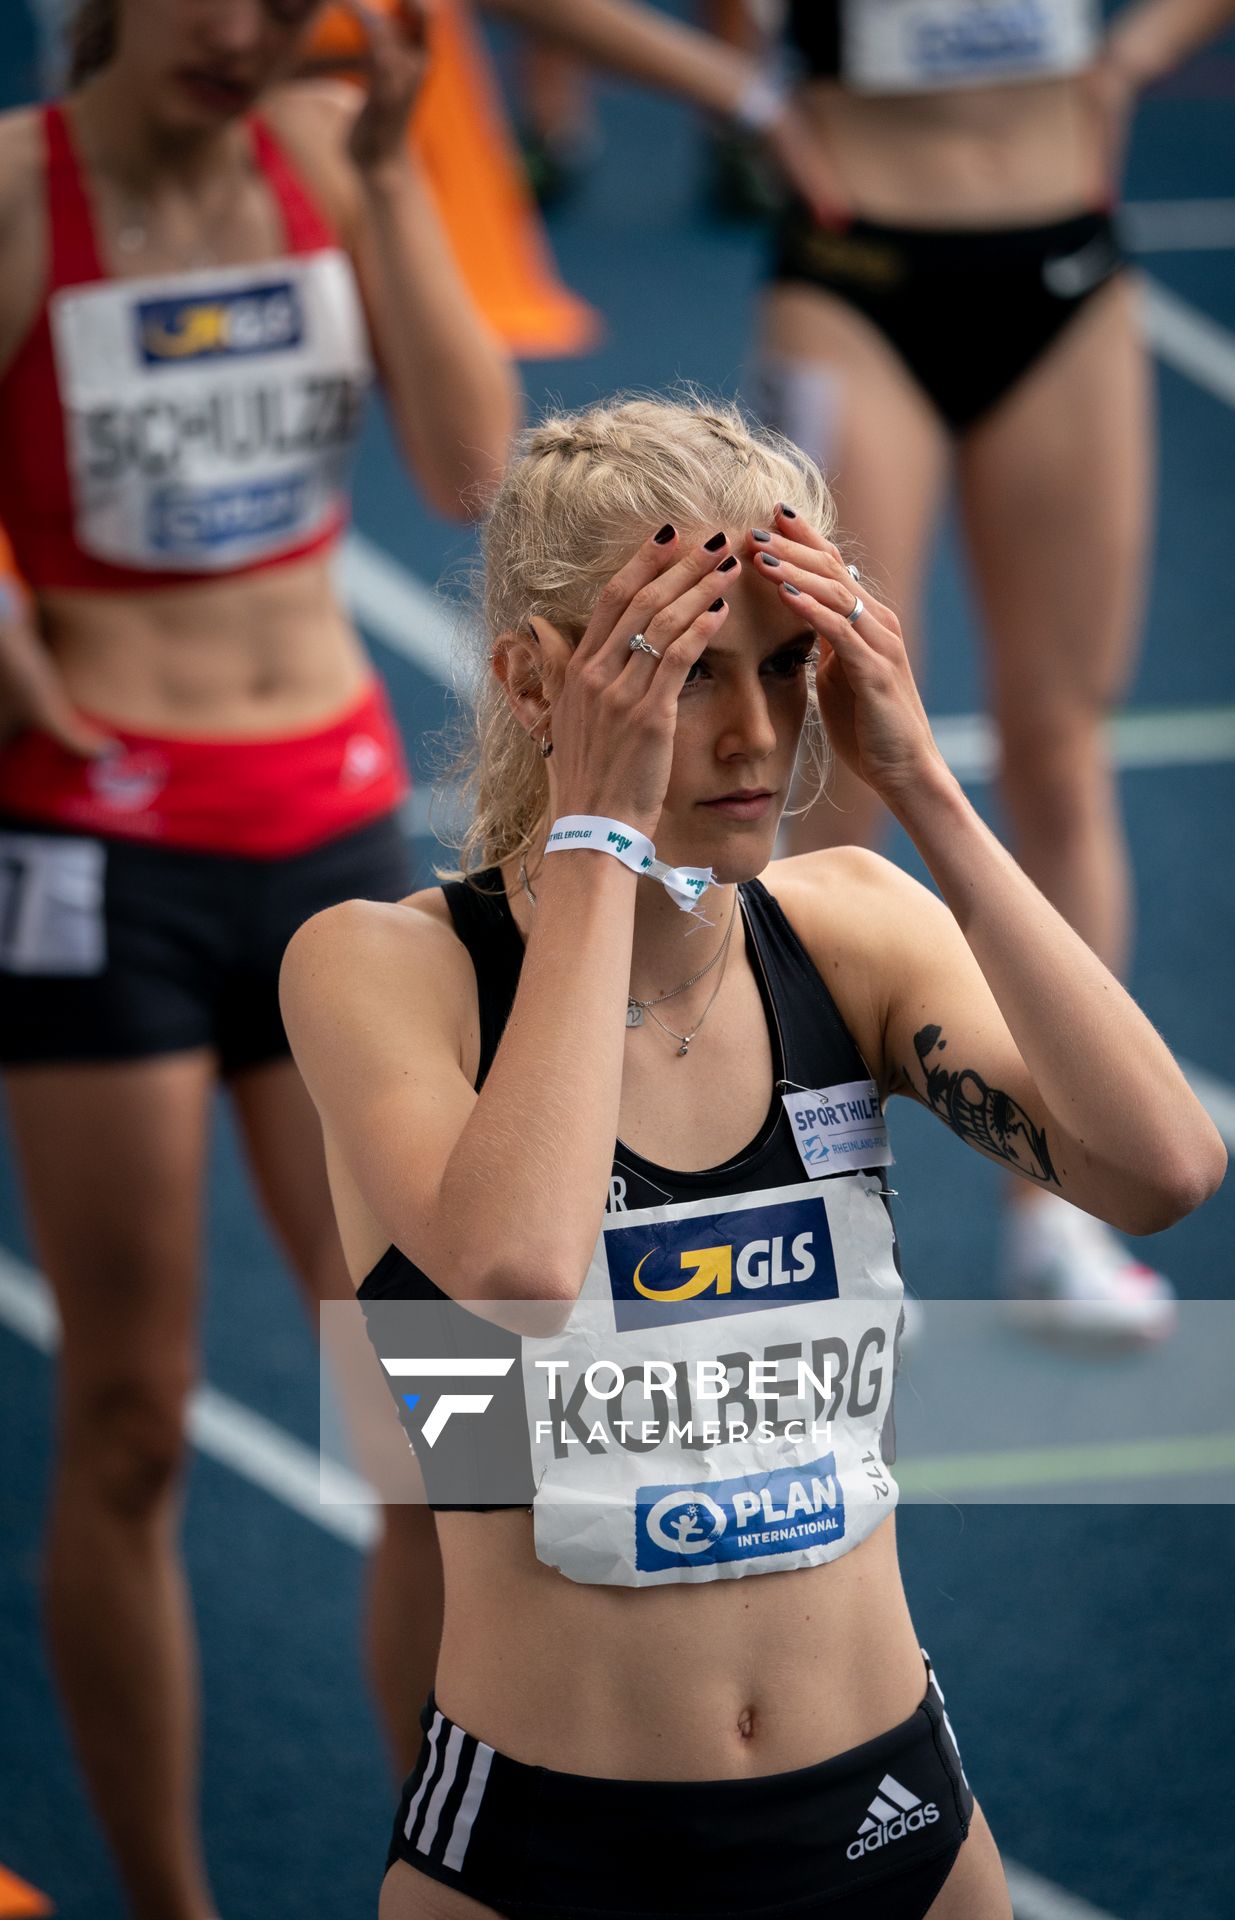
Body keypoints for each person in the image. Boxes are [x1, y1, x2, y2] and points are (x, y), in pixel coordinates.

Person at [280, 395, 1226, 1920]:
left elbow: (1163, 1169)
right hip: (546, 1847)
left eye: (787, 666)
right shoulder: (386, 971)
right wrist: (595, 832)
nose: (755, 734)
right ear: (535, 679)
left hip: (891, 1812)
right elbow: (514, 1272)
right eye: (678, 670)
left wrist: (927, 791)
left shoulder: (847, 930)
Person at [0, 2, 517, 1915]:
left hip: (326, 841)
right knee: (131, 1418)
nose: (245, 31)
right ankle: (167, 1900)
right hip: (95, 851)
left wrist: (388, 182)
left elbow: (473, 474)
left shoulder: (322, 148)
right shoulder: (18, 197)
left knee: (443, 1410)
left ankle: (459, 1869)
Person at [752, 0, 1235, 1329]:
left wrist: (1139, 54)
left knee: (1061, 744)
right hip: (854, 274)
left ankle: (1057, 1215)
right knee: (826, 755)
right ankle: (814, 1211)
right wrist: (734, 87)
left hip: (1068, 278)